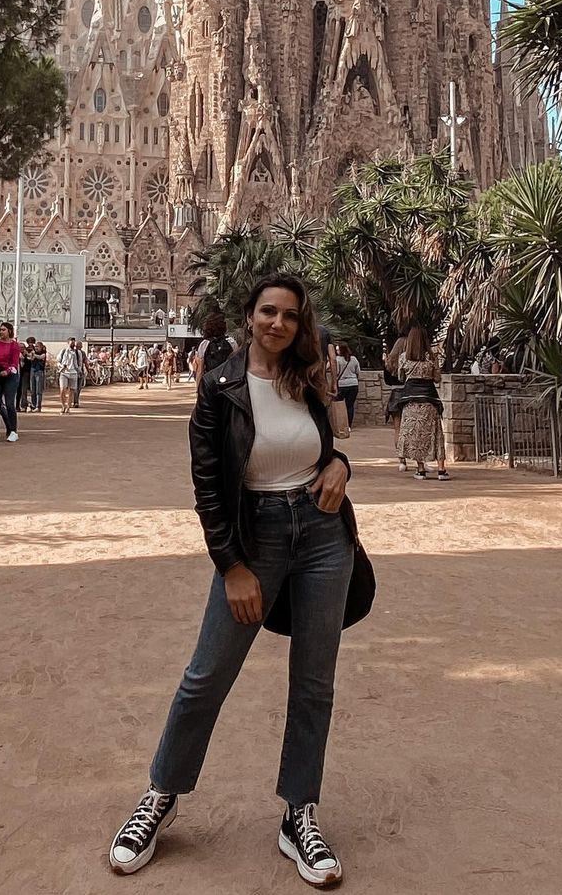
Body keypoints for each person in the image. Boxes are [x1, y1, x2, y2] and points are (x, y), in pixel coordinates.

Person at [109, 274, 373, 886]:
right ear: (248, 315)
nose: (277, 323)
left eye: (290, 315)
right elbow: (208, 488)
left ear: (301, 324)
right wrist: (231, 566)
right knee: (206, 676)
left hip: (324, 534)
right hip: (256, 536)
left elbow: (326, 448)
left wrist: (341, 464)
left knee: (314, 683)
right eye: (268, 312)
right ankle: (160, 795)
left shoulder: (306, 376)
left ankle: (299, 813)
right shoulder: (219, 386)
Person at [395, 326, 449, 481]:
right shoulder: (432, 357)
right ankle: (441, 470)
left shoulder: (404, 358)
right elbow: (437, 378)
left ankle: (420, 470)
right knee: (435, 434)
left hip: (410, 401)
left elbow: (400, 377)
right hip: (429, 400)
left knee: (416, 436)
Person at [0, 321, 21, 443]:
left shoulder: (14, 345)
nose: (1, 332)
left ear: (9, 331)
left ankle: (13, 431)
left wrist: (7, 371)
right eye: (0, 330)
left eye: (3, 330)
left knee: (10, 404)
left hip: (10, 376)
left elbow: (14, 363)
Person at [193, 312, 236, 387]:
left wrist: (199, 388)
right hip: (228, 383)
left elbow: (200, 370)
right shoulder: (231, 342)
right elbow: (236, 365)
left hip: (211, 383)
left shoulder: (204, 344)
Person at [334, 343, 361, 428]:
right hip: (353, 384)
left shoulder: (337, 359)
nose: (337, 351)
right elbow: (358, 371)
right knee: (350, 406)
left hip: (342, 384)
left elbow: (336, 372)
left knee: (339, 404)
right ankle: (349, 425)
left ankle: (340, 424)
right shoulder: (354, 359)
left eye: (338, 349)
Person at [58, 339, 80, 414]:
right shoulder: (63, 351)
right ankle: (63, 405)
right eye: (71, 343)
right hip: (64, 372)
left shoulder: (77, 352)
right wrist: (61, 366)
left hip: (73, 373)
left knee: (71, 391)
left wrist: (79, 371)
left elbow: (79, 363)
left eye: (74, 343)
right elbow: (58, 361)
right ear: (68, 343)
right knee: (62, 389)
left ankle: (68, 407)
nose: (73, 344)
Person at [19, 337, 36, 412]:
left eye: (32, 342)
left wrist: (28, 354)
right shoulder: (23, 351)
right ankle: (24, 404)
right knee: (23, 390)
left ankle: (29, 404)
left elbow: (31, 359)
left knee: (29, 389)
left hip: (28, 372)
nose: (30, 344)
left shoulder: (33, 350)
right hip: (22, 372)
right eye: (29, 342)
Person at [29, 341, 48, 412]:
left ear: (41, 347)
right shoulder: (33, 353)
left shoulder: (43, 354)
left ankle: (38, 406)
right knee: (32, 390)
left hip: (39, 371)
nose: (36, 348)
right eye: (36, 346)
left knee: (38, 391)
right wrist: (30, 354)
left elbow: (40, 357)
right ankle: (33, 405)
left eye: (38, 346)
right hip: (32, 371)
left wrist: (34, 354)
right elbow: (31, 358)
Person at [72, 339, 89, 407]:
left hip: (78, 372)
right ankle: (75, 401)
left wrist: (87, 370)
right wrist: (88, 370)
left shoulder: (81, 353)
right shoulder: (75, 352)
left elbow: (85, 362)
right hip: (75, 372)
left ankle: (75, 401)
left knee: (77, 388)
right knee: (77, 388)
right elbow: (86, 363)